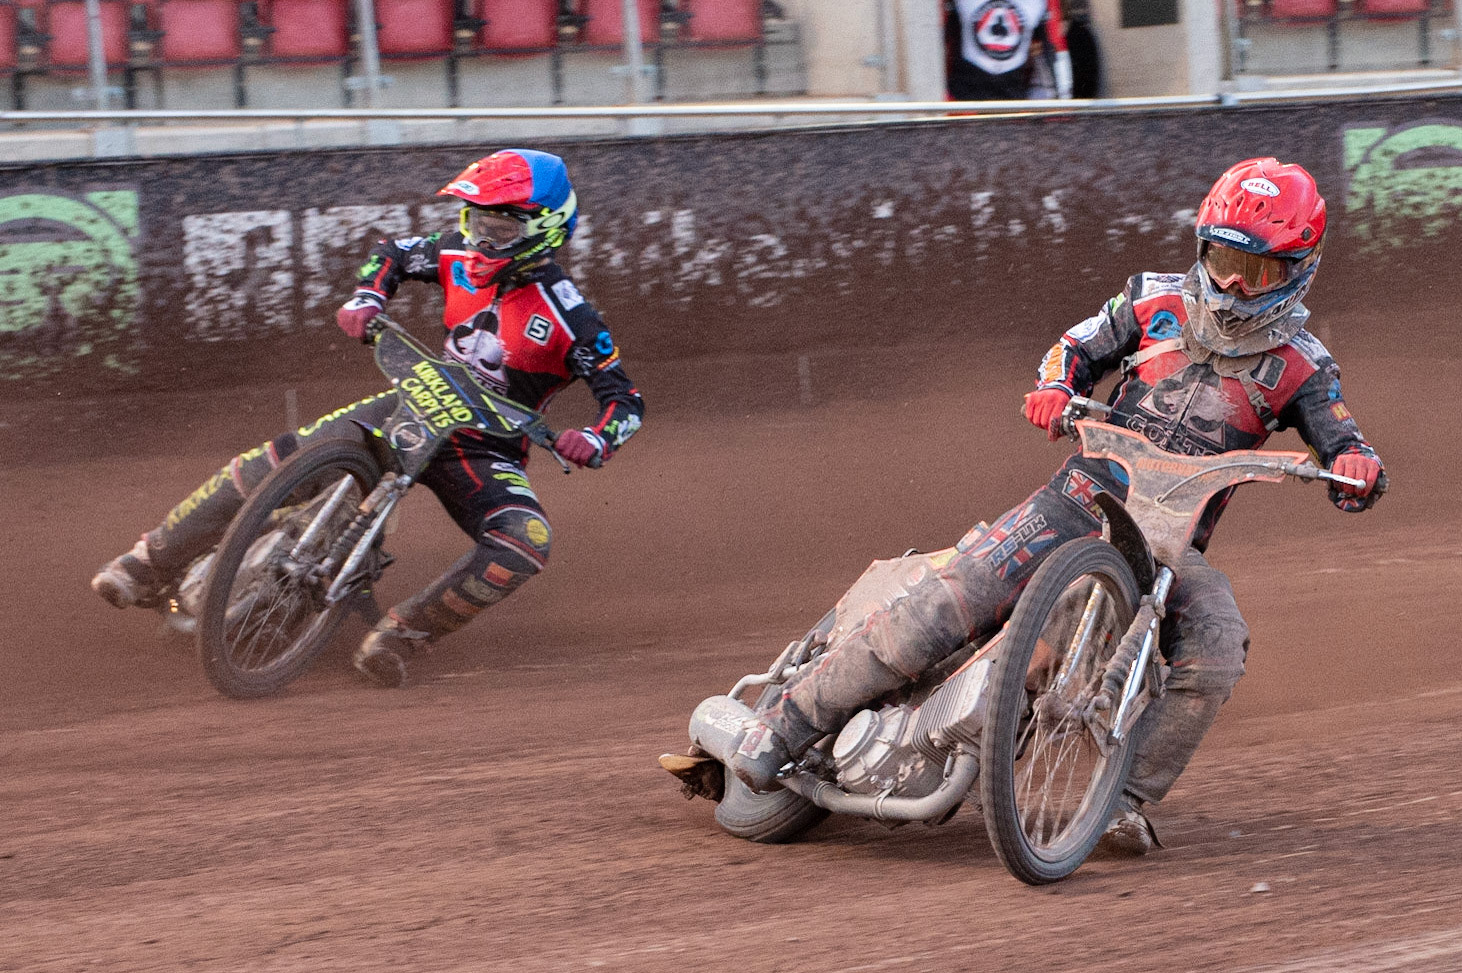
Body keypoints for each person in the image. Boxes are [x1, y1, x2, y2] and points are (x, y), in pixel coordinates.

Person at [729, 158, 1384, 854]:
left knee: (1218, 646)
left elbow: (1347, 442)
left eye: (1255, 272)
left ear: (1298, 269)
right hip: (1076, 498)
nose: (1229, 284)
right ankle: (782, 726)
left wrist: (1356, 469)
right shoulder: (1151, 300)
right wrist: (1052, 387)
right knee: (946, 603)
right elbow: (1072, 347)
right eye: (1221, 258)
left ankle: (1125, 799)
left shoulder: (1305, 366)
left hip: (1168, 543)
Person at [91, 148, 645, 687]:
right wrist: (366, 298)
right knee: (281, 458)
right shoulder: (455, 254)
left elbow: (626, 401)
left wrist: (596, 439)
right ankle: (149, 562)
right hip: (416, 398)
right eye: (476, 222)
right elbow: (396, 251)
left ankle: (404, 635)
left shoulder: (573, 317)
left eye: (500, 230)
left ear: (545, 230)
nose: (482, 240)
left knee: (525, 541)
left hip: (484, 447)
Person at [946, 0, 1073, 101]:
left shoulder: (1041, 3)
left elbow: (1055, 49)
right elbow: (936, 36)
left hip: (1012, 105)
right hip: (962, 102)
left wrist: (1062, 108)